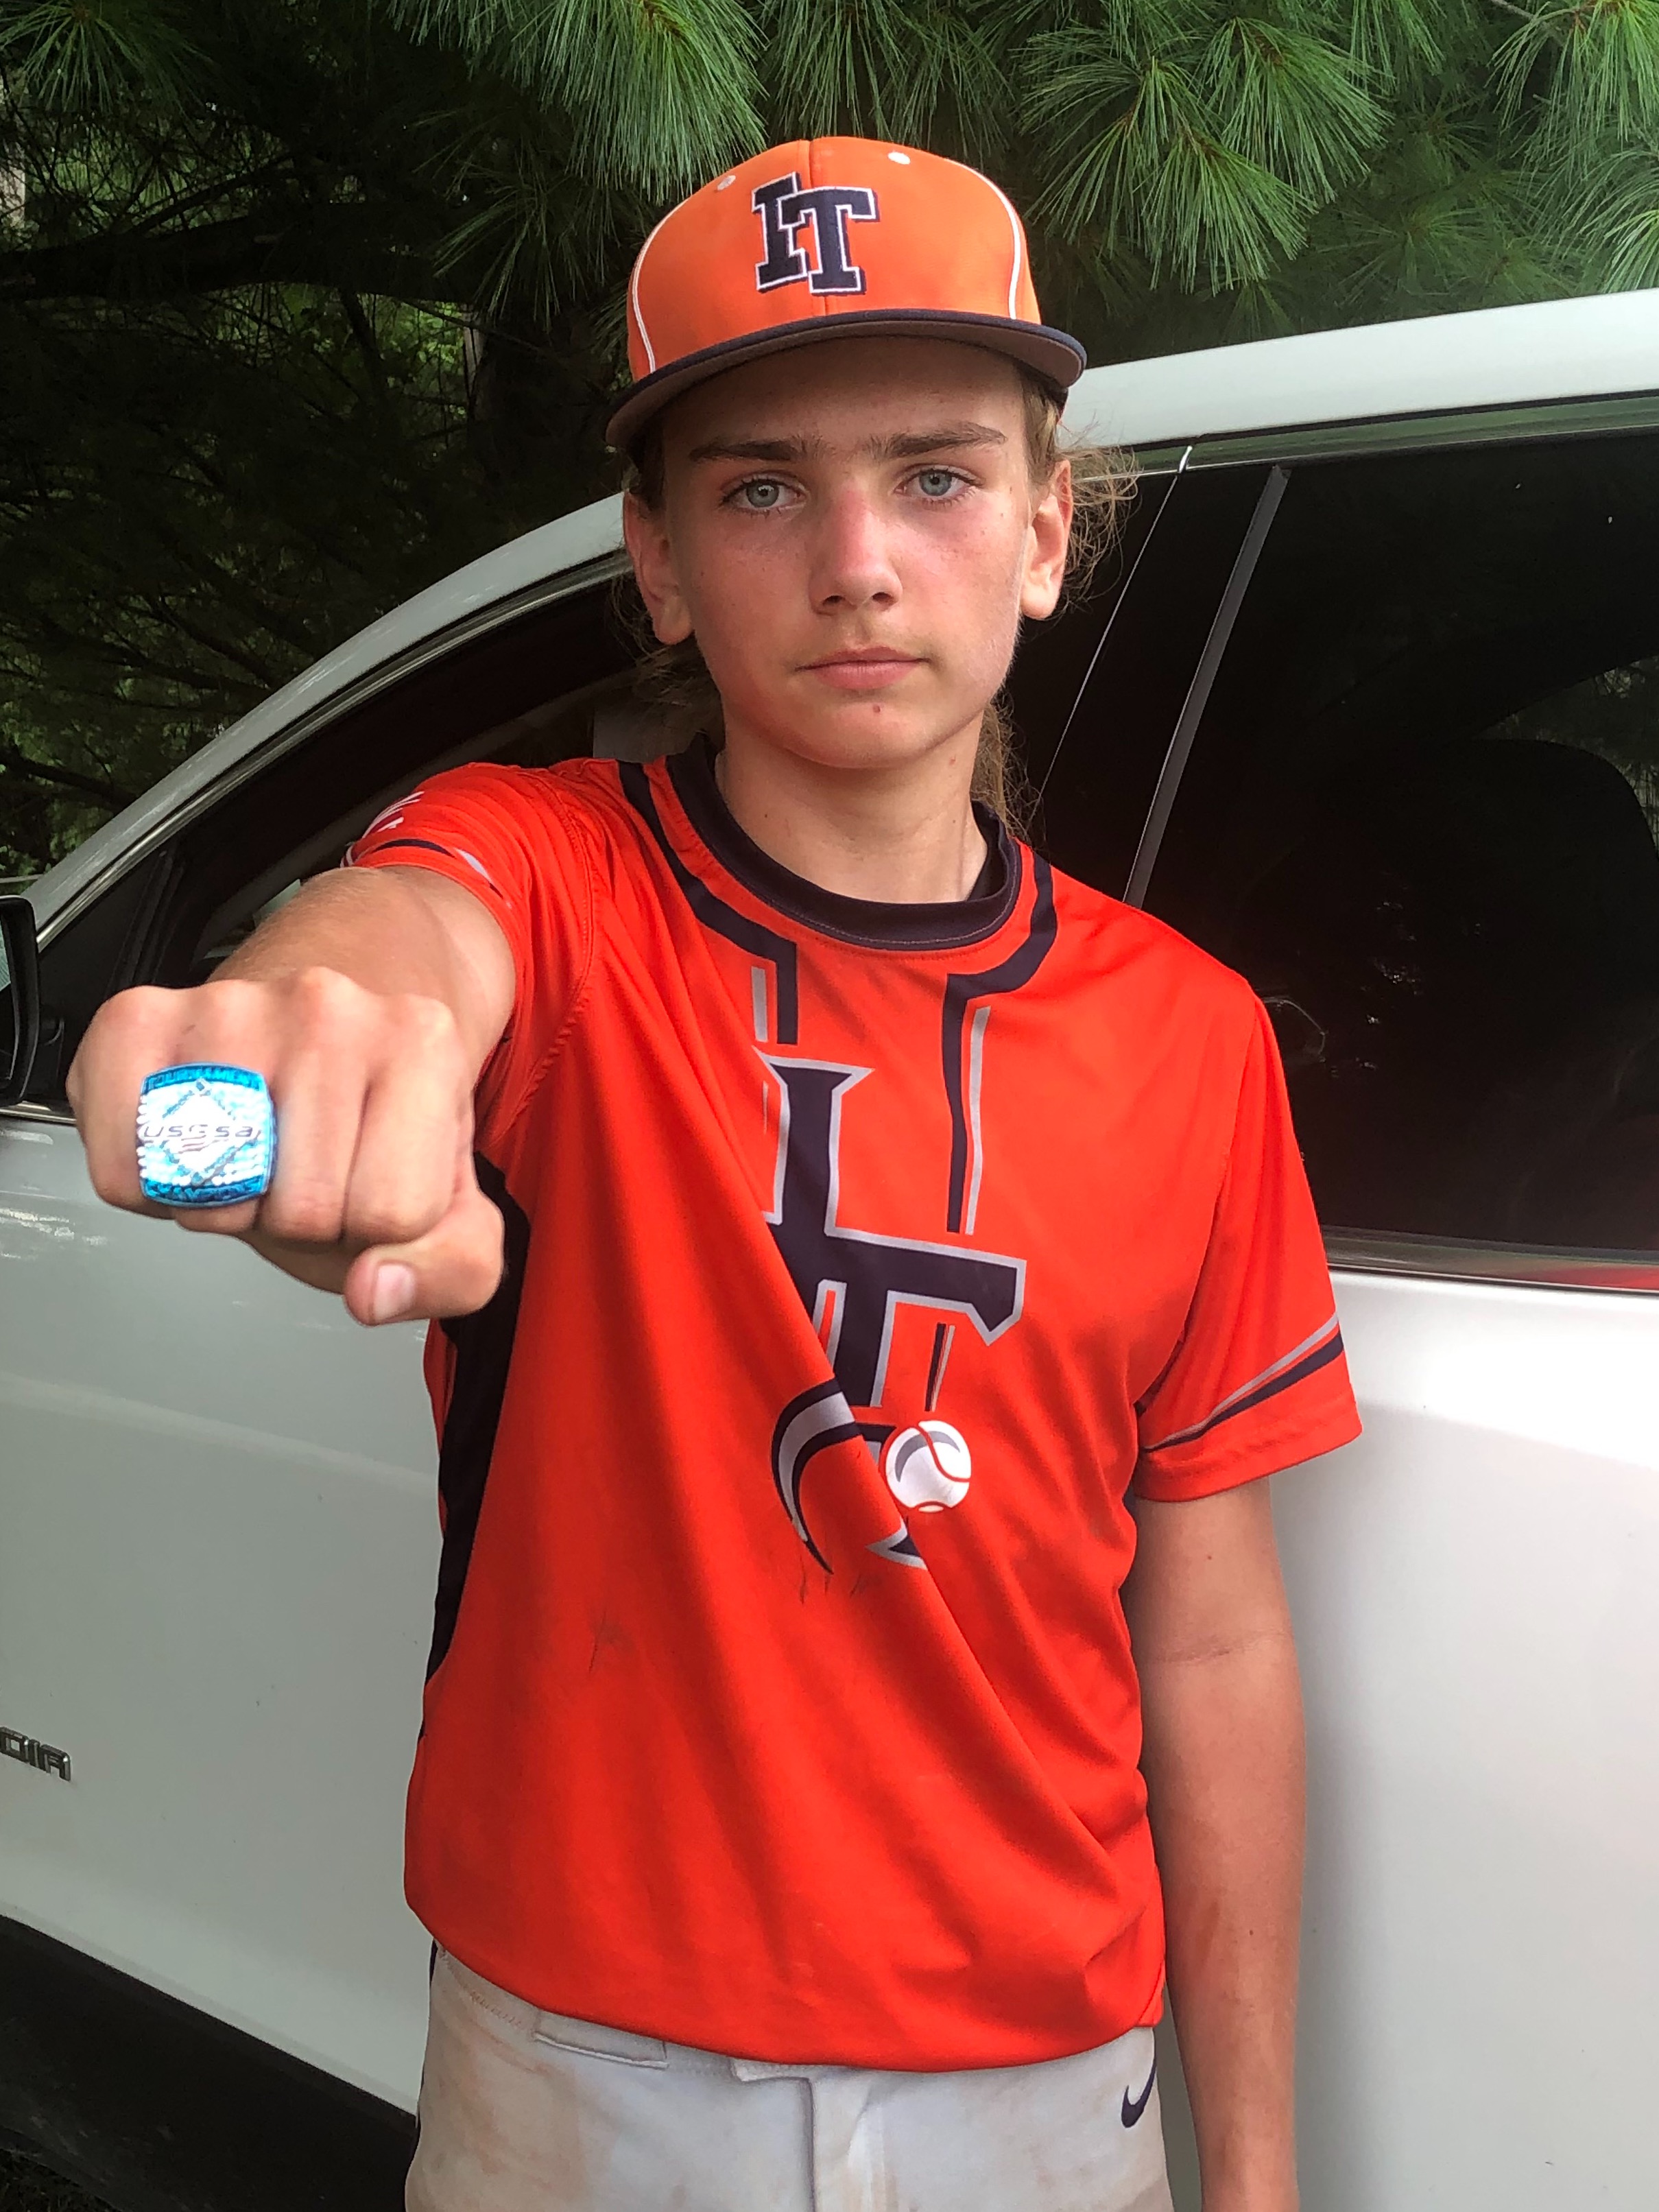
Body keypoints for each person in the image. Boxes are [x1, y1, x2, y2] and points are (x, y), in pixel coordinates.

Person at [69, 139, 1361, 2212]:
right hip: (580, 2076)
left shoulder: (1191, 1036)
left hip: (1046, 2092)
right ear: (657, 564)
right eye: (761, 489)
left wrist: (1261, 2173)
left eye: (935, 476)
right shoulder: (556, 879)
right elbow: (400, 937)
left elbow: (1209, 1648)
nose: (858, 561)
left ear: (1046, 530)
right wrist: (295, 1049)